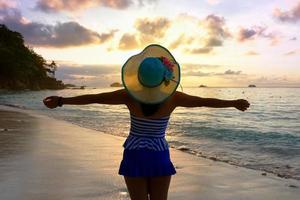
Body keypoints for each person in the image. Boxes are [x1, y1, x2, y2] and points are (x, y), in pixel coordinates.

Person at [43, 44, 250, 200]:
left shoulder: (128, 95)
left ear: (139, 77)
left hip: (134, 153)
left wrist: (61, 101)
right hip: (158, 154)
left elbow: (93, 98)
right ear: (164, 78)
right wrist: (232, 102)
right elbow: (204, 102)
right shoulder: (174, 98)